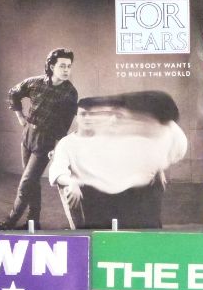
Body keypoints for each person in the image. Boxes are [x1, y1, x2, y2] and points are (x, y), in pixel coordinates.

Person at [48, 90, 187, 229]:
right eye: (83, 114)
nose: (88, 118)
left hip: (121, 189)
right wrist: (71, 182)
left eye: (93, 114)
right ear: (76, 117)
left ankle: (149, 231)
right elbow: (58, 170)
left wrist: (157, 168)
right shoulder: (67, 143)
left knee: (145, 194)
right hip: (92, 192)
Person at [0, 48, 78, 230]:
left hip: (46, 141)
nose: (66, 70)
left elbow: (65, 123)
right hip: (27, 136)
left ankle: (9, 223)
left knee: (26, 183)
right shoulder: (35, 83)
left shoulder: (70, 92)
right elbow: (13, 93)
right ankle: (33, 221)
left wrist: (58, 147)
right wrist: (20, 117)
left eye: (69, 66)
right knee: (32, 182)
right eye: (62, 66)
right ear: (52, 66)